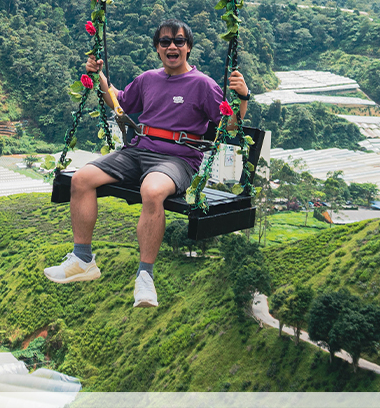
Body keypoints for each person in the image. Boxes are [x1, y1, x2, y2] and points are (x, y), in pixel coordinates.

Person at [43, 18, 249, 307]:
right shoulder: (148, 79)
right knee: (81, 179)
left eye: (179, 41)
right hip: (137, 152)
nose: (172, 46)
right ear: (157, 48)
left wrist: (242, 98)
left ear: (188, 48)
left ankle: (145, 278)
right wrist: (100, 78)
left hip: (178, 159)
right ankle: (82, 259)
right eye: (165, 42)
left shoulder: (203, 85)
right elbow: (120, 103)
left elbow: (227, 127)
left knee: (151, 191)